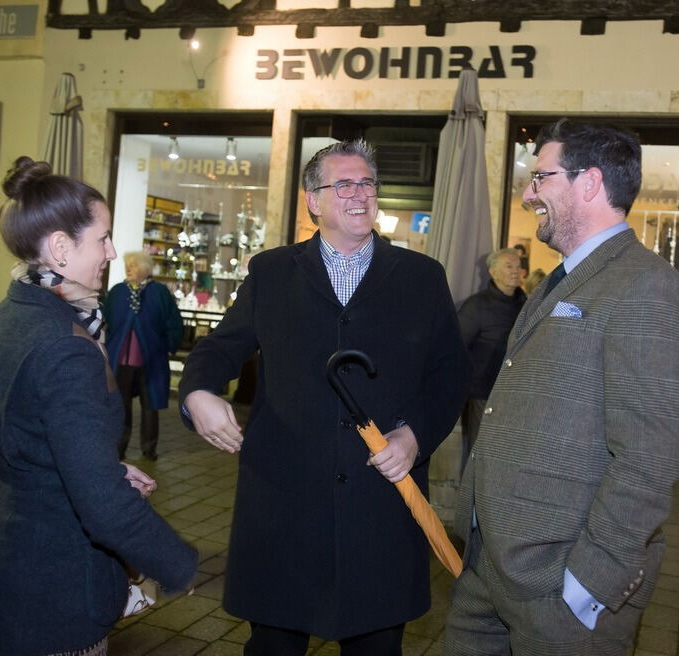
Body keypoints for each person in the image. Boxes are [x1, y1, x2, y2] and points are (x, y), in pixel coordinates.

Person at [179, 139, 469, 655]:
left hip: (379, 508)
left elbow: (450, 374)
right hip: (285, 509)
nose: (359, 194)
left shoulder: (422, 278)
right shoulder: (271, 272)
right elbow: (221, 348)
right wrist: (198, 390)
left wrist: (414, 436)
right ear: (313, 200)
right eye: (344, 184)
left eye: (367, 183)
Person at [446, 119, 679, 655]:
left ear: (590, 182)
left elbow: (650, 455)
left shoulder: (647, 287)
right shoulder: (559, 281)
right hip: (491, 563)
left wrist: (590, 582)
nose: (527, 194)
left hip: (559, 589)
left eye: (540, 178)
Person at [0, 157, 198, 656]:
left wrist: (96, 462)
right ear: (60, 247)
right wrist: (179, 563)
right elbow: (100, 506)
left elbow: (15, 433)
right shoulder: (66, 345)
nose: (112, 251)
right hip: (51, 593)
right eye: (102, 238)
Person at [104, 251, 183, 461]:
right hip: (121, 361)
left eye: (133, 265)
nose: (128, 269)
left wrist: (166, 346)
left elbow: (173, 322)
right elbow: (108, 323)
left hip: (151, 361)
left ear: (146, 269)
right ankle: (118, 447)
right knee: (120, 406)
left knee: (150, 406)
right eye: (127, 265)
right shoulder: (118, 292)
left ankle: (149, 449)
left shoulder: (159, 292)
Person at [456, 248, 526, 474]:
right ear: (493, 271)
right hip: (482, 393)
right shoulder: (476, 307)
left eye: (518, 266)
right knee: (480, 451)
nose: (515, 272)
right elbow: (457, 348)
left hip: (516, 393)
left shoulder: (527, 305)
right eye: (509, 266)